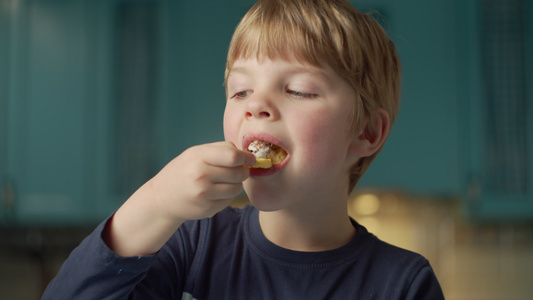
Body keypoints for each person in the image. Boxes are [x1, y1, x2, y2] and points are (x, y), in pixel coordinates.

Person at [43, 0, 444, 299]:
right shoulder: (193, 244)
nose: (255, 104)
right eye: (240, 90)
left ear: (367, 133)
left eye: (298, 89)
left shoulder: (403, 284)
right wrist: (155, 201)